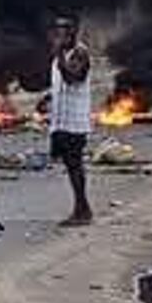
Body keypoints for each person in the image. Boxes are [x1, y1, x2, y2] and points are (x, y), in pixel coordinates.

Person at [48, 15, 95, 226]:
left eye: (65, 33)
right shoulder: (61, 56)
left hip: (74, 122)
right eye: (58, 33)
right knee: (69, 164)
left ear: (73, 33)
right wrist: (48, 99)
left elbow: (72, 78)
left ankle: (82, 210)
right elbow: (60, 84)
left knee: (75, 164)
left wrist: (59, 53)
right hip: (61, 120)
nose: (60, 37)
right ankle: (81, 208)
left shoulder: (79, 53)